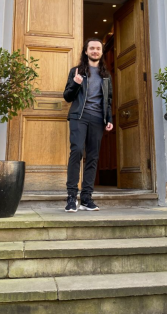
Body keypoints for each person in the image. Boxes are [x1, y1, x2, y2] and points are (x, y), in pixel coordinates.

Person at [63, 38, 113, 212]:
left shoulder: (106, 76)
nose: (95, 51)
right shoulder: (76, 72)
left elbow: (108, 100)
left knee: (93, 157)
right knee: (76, 151)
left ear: (101, 52)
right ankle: (71, 197)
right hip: (79, 117)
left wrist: (109, 119)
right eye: (91, 48)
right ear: (86, 51)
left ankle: (86, 198)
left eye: (98, 48)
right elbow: (67, 97)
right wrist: (76, 84)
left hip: (98, 119)